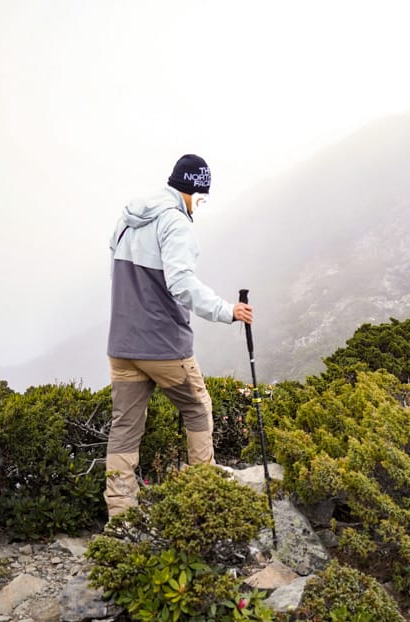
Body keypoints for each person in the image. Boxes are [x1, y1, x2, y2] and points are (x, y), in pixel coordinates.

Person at [104, 153, 253, 517]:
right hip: (164, 346)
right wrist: (227, 311)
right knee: (197, 407)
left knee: (125, 425)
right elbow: (181, 283)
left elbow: (113, 266)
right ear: (192, 189)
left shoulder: (128, 219)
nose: (199, 205)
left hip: (122, 343)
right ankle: (203, 496)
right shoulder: (176, 224)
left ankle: (120, 516)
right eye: (201, 197)